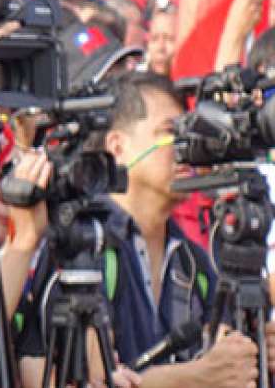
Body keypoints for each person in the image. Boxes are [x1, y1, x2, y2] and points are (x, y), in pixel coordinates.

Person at [17, 72, 272, 387]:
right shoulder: (82, 243)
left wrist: (252, 353)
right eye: (171, 132)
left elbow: (225, 365)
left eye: (189, 134)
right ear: (117, 146)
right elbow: (71, 380)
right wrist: (193, 379)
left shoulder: (192, 260)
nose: (185, 148)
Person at [144, 6, 177, 76]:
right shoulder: (134, 84)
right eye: (154, 39)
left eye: (169, 39)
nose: (160, 48)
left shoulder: (194, 83)